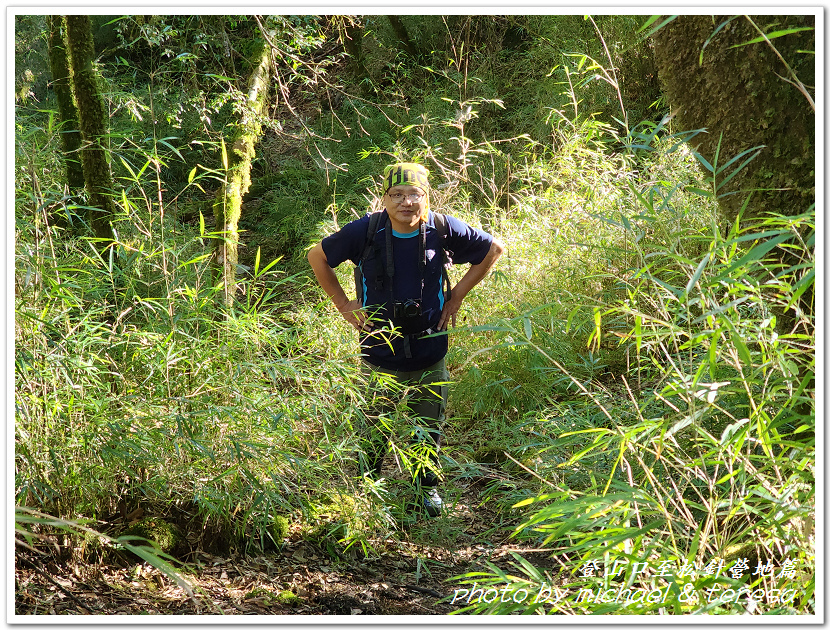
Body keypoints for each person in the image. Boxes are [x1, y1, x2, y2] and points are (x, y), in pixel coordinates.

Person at [307, 162, 504, 517]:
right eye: (397, 194)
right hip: (379, 349)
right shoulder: (366, 231)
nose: (406, 202)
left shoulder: (442, 228)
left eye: (415, 194)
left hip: (429, 348)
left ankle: (424, 490)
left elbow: (493, 249)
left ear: (426, 198)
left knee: (428, 423)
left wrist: (457, 296)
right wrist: (343, 305)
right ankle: (367, 488)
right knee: (373, 422)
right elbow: (317, 256)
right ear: (384, 198)